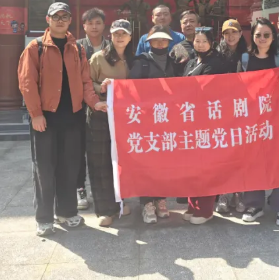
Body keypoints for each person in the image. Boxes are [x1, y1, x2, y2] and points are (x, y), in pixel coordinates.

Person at [18, 2, 107, 237]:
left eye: (64, 16)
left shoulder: (76, 48)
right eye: (55, 16)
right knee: (44, 169)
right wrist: (36, 114)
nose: (60, 20)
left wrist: (94, 102)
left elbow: (86, 81)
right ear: (48, 20)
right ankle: (44, 218)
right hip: (46, 118)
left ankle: (66, 212)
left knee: (70, 167)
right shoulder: (36, 47)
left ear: (70, 21)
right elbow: (27, 83)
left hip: (73, 117)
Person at [237, 18, 279, 227]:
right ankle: (254, 205)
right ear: (252, 37)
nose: (262, 38)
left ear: (273, 37)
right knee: (253, 160)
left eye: (266, 35)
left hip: (276, 119)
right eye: (258, 35)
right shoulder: (245, 60)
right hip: (252, 120)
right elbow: (236, 90)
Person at [129, 25, 179, 223]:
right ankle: (147, 202)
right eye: (156, 40)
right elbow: (131, 90)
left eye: (163, 39)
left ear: (169, 42)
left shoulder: (175, 62)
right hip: (146, 122)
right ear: (148, 42)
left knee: (165, 163)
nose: (160, 43)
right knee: (146, 163)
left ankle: (161, 199)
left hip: (167, 121)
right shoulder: (140, 63)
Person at [86, 19, 133, 227]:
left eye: (124, 34)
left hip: (126, 117)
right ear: (110, 36)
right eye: (116, 34)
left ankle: (119, 202)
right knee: (101, 161)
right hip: (101, 114)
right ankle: (105, 209)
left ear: (130, 37)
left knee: (122, 161)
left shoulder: (134, 59)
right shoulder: (99, 58)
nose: (120, 37)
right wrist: (102, 88)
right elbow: (86, 82)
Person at [180, 27, 225, 224]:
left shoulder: (215, 63)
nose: (199, 45)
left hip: (208, 120)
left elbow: (205, 90)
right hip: (190, 119)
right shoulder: (191, 62)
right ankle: (193, 205)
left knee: (206, 166)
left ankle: (206, 209)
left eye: (204, 41)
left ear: (211, 43)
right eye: (197, 41)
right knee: (192, 165)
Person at [75, 8, 111, 211]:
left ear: (104, 25)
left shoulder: (111, 46)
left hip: (105, 106)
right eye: (90, 23)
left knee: (103, 151)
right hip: (80, 105)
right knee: (79, 149)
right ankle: (80, 188)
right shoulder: (76, 46)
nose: (94, 27)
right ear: (84, 26)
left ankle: (105, 191)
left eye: (98, 22)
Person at [215, 19, 248, 214]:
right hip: (220, 111)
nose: (230, 36)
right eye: (227, 33)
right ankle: (224, 194)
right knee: (223, 154)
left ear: (240, 34)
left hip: (242, 110)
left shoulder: (248, 55)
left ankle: (239, 194)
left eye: (234, 32)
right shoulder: (216, 55)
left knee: (240, 154)